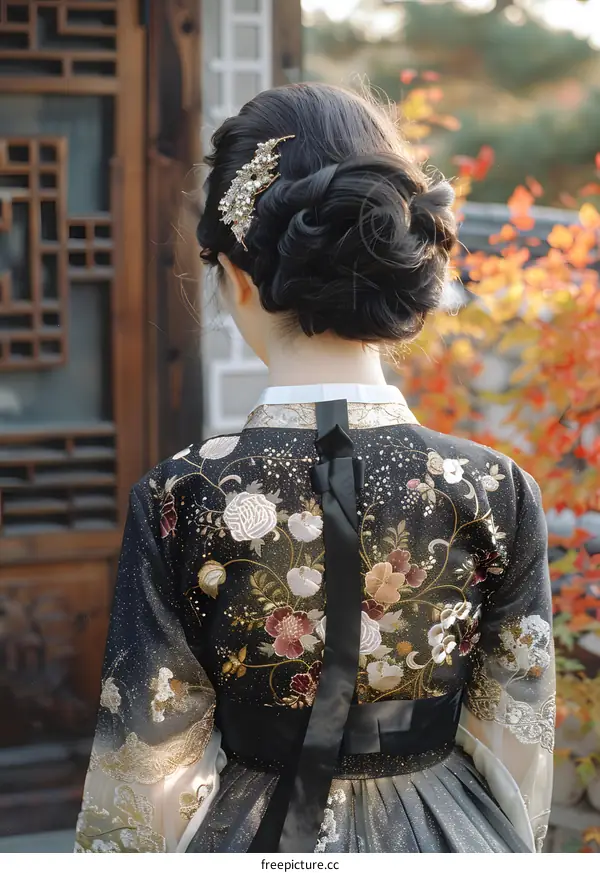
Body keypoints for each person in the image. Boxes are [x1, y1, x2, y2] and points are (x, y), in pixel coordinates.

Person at [74, 83, 554, 854]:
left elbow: (147, 760)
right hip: (449, 835)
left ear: (235, 274)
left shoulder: (181, 495)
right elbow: (515, 739)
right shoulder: (496, 488)